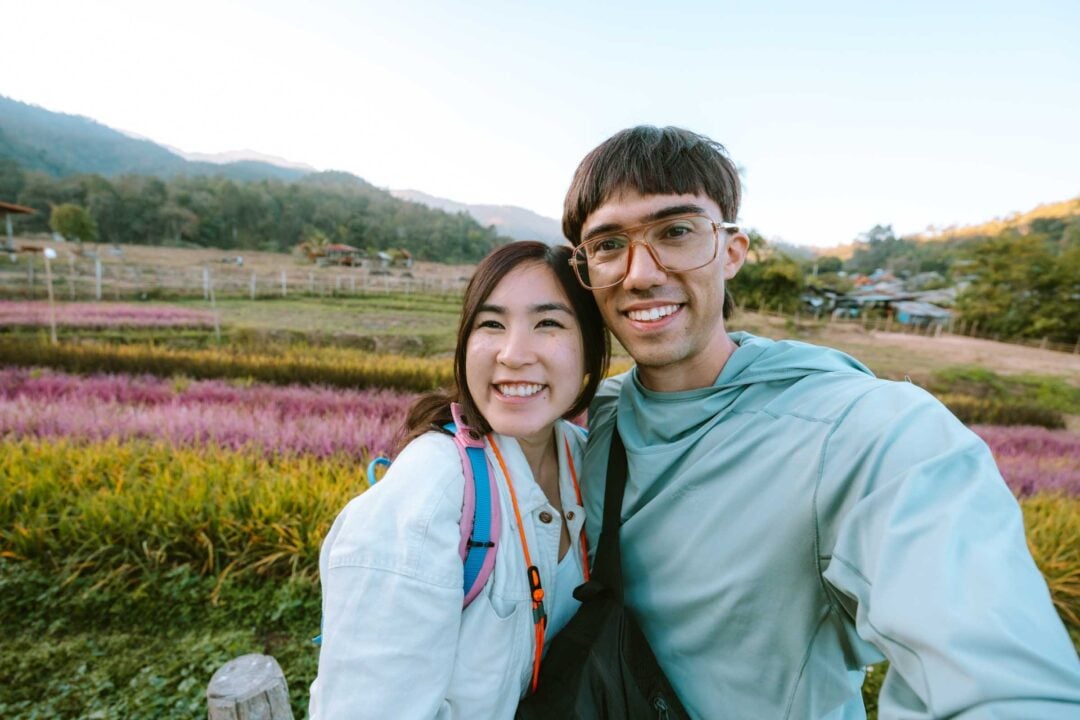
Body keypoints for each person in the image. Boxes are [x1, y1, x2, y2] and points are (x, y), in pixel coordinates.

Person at [563, 125, 1080, 719]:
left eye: (676, 232)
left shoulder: (865, 431)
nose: (640, 273)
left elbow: (999, 681)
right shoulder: (588, 420)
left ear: (732, 251)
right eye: (607, 245)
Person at [309, 241, 610, 719]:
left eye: (548, 323)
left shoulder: (585, 460)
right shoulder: (430, 493)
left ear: (592, 352)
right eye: (491, 324)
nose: (513, 354)